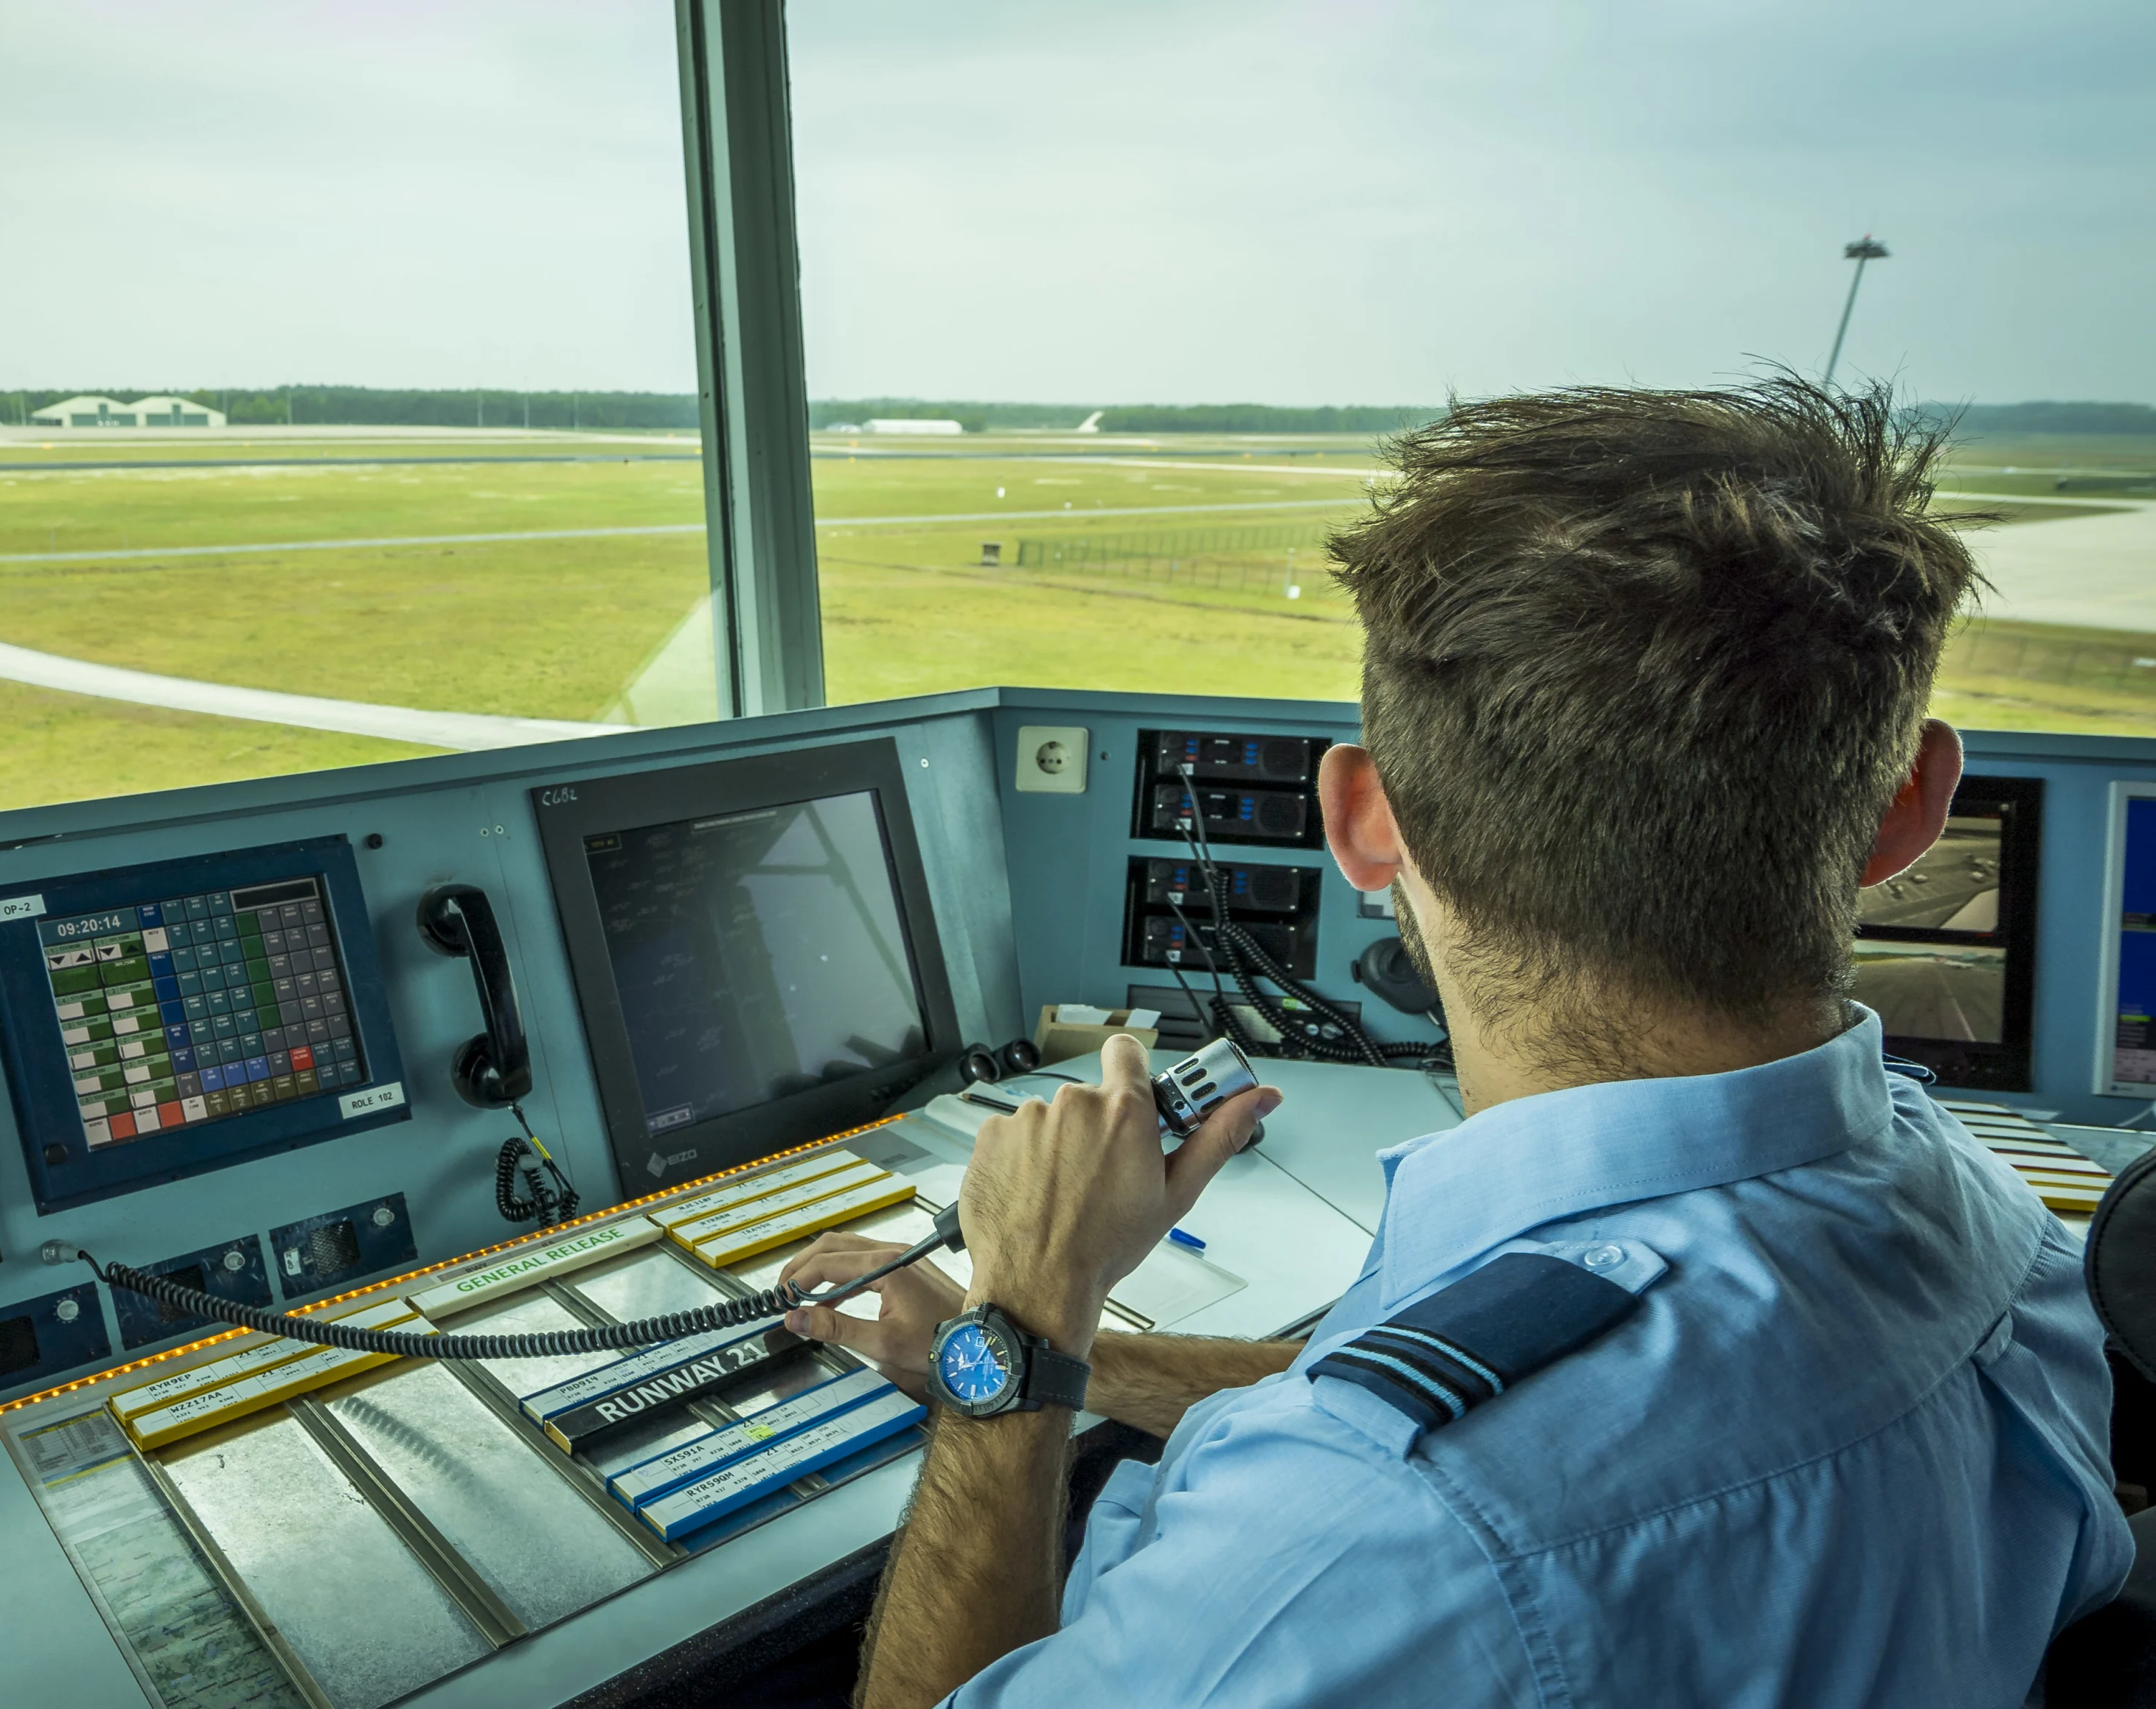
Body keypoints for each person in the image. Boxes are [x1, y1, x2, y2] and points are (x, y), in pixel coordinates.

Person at [781, 379, 2135, 1708]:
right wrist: (1072, 1359)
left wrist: (1015, 1334)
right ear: (1910, 810)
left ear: (1363, 822)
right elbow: (1433, 1397)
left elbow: (1433, 1472)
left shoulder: (1373, 1538)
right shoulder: (2000, 1226)